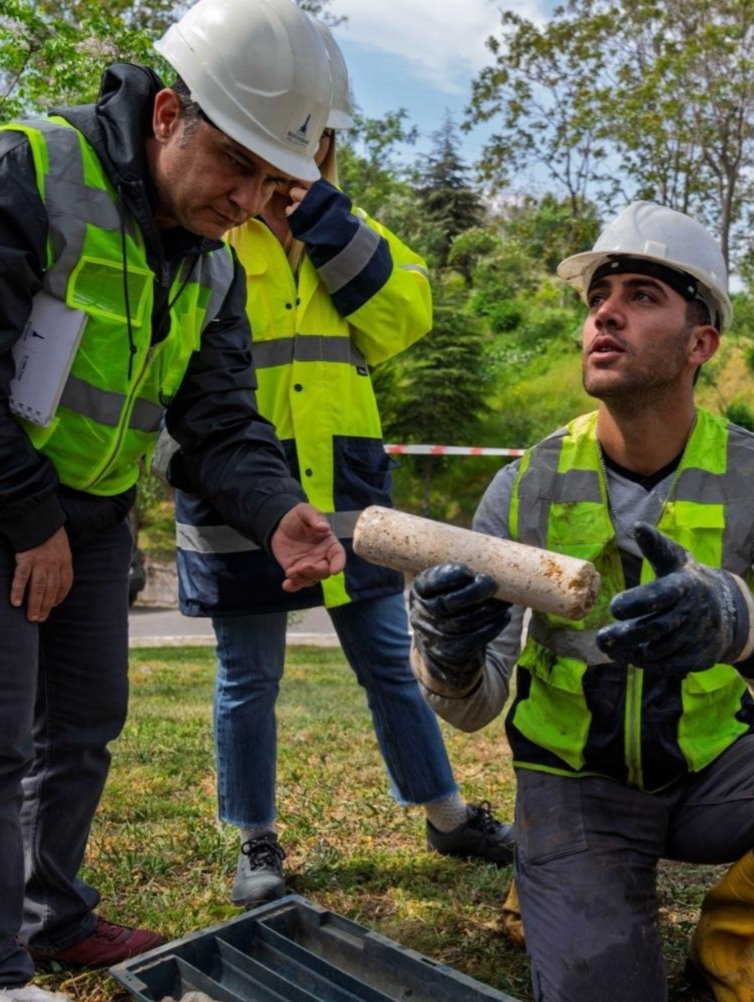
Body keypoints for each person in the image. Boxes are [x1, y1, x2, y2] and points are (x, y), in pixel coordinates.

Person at [0, 0, 345, 988]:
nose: (246, 200)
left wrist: (275, 508)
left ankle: (47, 914)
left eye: (269, 181)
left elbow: (222, 422)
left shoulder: (211, 264)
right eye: (234, 165)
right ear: (165, 116)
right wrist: (30, 521)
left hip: (82, 503)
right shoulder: (9, 176)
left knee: (83, 715)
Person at [406, 202, 754, 1002]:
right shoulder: (526, 484)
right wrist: (447, 652)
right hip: (575, 784)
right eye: (598, 297)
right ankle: (553, 874)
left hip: (709, 778)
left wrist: (738, 624)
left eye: (641, 295)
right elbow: (472, 709)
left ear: (698, 344)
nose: (605, 311)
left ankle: (724, 949)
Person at [167, 17, 514, 909]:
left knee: (390, 664)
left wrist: (320, 216)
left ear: (324, 148)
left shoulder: (348, 233)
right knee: (248, 678)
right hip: (237, 501)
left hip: (350, 501)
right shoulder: (207, 232)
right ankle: (254, 841)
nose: (280, 169)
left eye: (306, 149)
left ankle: (445, 816)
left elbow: (403, 320)